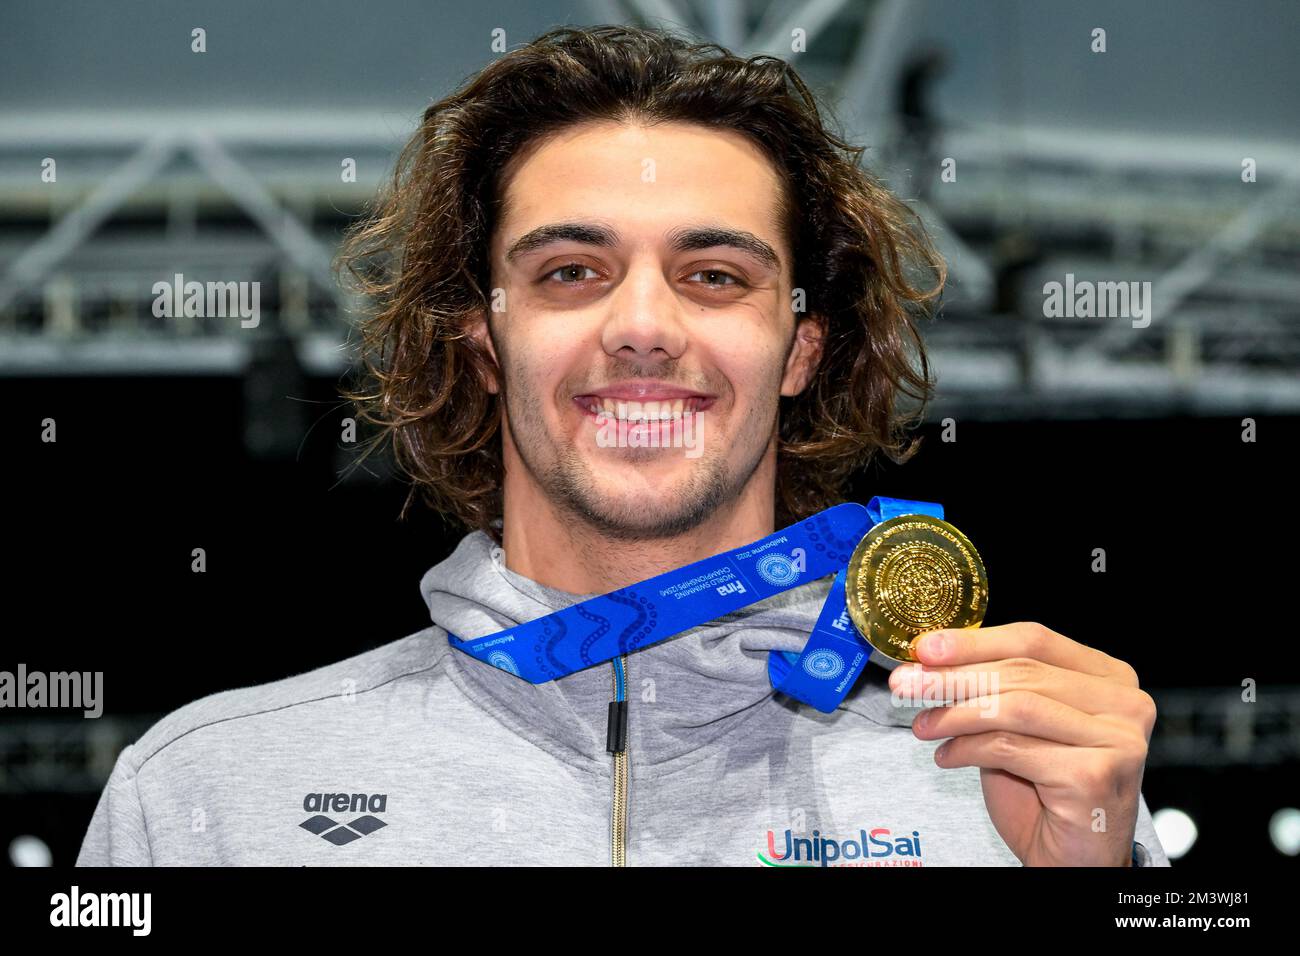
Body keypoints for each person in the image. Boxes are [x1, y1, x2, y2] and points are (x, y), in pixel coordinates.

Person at [77, 25, 1167, 867]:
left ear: (798, 347)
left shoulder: (1003, 783)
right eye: (569, 272)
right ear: (486, 343)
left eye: (714, 275)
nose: (642, 324)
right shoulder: (208, 794)